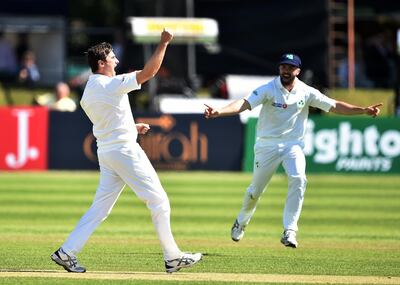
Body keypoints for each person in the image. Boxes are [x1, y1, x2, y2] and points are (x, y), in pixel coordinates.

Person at [50, 29, 202, 273]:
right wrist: (163, 43)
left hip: (108, 152)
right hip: (124, 151)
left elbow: (106, 119)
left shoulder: (89, 90)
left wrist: (132, 127)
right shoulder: (110, 84)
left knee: (100, 209)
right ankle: (172, 256)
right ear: (101, 63)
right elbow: (149, 72)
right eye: (112, 58)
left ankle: (67, 252)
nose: (117, 61)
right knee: (159, 201)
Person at [204, 53, 382, 248]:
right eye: (283, 67)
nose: (286, 71)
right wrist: (219, 111)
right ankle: (241, 221)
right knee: (255, 191)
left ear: (298, 71)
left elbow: (334, 105)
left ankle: (290, 230)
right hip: (267, 144)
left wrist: (363, 110)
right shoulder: (268, 89)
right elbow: (243, 104)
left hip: (293, 145)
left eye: (290, 68)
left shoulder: (306, 92)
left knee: (299, 179)